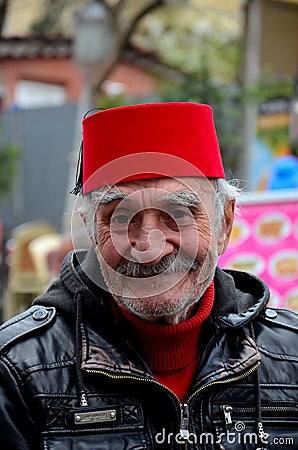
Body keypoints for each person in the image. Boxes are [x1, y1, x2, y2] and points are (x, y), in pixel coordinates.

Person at [0, 102, 297, 450]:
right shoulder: (18, 373)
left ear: (224, 224)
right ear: (91, 231)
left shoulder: (291, 359)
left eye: (177, 213)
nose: (149, 247)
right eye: (120, 217)